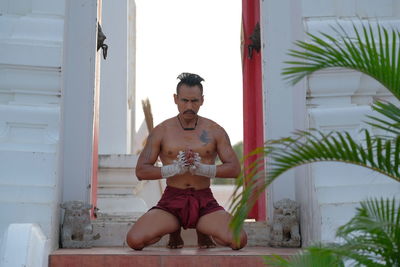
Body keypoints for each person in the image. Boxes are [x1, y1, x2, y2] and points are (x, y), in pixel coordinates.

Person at [126, 73, 247, 250]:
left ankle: (203, 227)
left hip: (204, 200)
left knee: (239, 240)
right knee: (134, 240)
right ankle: (173, 228)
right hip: (171, 201)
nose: (189, 106)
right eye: (184, 100)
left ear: (202, 100)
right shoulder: (162, 130)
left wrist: (204, 169)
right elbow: (141, 171)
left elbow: (235, 169)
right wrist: (173, 169)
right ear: (175, 99)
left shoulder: (215, 130)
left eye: (194, 101)